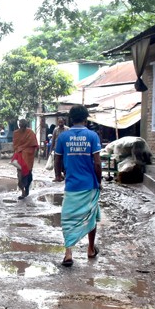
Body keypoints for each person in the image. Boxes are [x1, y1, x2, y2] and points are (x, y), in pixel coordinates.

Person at [53, 105, 102, 267]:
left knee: (67, 218)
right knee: (91, 216)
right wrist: (99, 181)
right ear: (86, 118)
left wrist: (58, 175)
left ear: (70, 119)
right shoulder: (92, 136)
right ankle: (90, 249)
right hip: (89, 184)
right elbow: (97, 163)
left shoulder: (63, 137)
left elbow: (57, 159)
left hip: (72, 184)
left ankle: (68, 253)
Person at [12, 118, 39, 199]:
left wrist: (28, 152)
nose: (22, 128)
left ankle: (26, 189)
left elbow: (34, 144)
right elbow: (15, 145)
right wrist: (18, 151)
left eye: (23, 126)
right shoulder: (16, 133)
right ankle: (23, 191)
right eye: (20, 126)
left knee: (28, 175)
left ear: (25, 126)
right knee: (20, 175)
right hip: (19, 156)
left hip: (28, 157)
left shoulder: (30, 132)